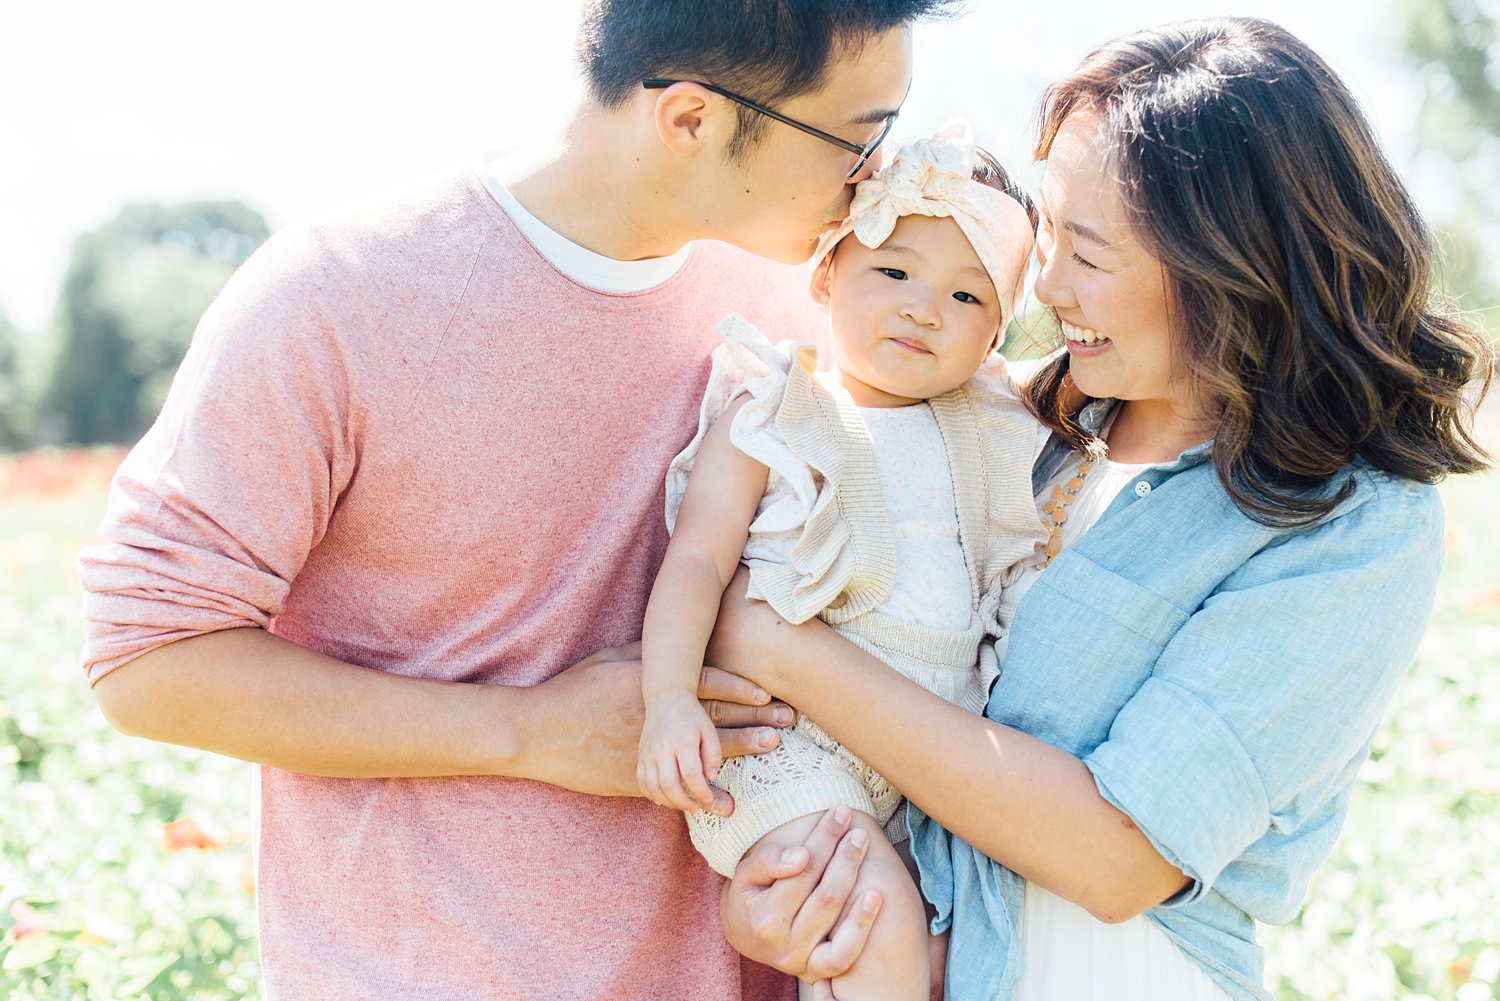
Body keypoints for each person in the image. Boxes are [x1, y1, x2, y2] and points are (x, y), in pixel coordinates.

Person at [75, 2, 958, 998]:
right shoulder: (333, 298)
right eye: (861, 134)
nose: (878, 174)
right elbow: (145, 658)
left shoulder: (809, 305)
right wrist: (528, 729)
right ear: (692, 120)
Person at [702, 17, 1495, 1001]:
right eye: (1048, 233)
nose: (1044, 284)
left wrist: (782, 648)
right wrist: (786, 887)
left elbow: (1121, 852)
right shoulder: (1003, 419)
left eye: (1086, 251)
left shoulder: (1353, 518)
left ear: (1229, 261)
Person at [636, 123, 1041, 1000]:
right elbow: (700, 558)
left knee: (910, 958)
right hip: (791, 743)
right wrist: (667, 698)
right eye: (894, 272)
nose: (925, 308)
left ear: (999, 329)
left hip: (933, 752)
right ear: (827, 274)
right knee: (875, 928)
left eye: (968, 297)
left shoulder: (991, 416)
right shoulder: (779, 402)